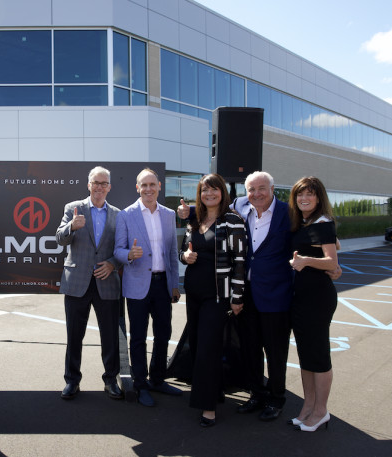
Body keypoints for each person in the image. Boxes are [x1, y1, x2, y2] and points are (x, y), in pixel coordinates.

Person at [177, 171, 340, 421]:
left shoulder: (288, 212)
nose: (256, 194)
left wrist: (333, 254)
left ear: (272, 189)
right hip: (246, 292)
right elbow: (212, 203)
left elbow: (314, 232)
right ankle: (256, 393)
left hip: (276, 293)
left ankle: (276, 398)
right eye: (251, 189)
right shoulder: (240, 206)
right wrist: (187, 210)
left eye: (262, 188)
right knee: (250, 348)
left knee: (275, 351)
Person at [179, 174, 247, 427]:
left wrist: (237, 297)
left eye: (214, 189)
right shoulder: (195, 220)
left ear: (222, 192)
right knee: (198, 345)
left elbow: (240, 261)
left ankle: (208, 407)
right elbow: (183, 250)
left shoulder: (232, 221)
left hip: (217, 295)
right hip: (193, 294)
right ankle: (215, 391)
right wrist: (185, 257)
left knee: (208, 349)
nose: (209, 194)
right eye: (204, 190)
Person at [114, 168, 182, 407]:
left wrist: (174, 285)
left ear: (159, 186)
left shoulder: (168, 214)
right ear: (137, 188)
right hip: (137, 286)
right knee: (138, 337)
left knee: (163, 334)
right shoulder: (126, 215)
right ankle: (141, 384)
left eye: (152, 184)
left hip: (163, 284)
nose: (148, 189)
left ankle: (158, 379)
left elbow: (172, 252)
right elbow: (117, 250)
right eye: (144, 185)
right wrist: (129, 254)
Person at [55, 166, 123, 400]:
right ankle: (72, 381)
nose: (99, 187)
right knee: (74, 336)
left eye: (104, 183)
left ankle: (110, 380)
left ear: (109, 187)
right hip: (77, 282)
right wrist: (71, 226)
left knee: (110, 337)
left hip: (107, 281)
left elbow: (122, 248)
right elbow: (60, 238)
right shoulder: (73, 208)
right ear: (88, 185)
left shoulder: (118, 214)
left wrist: (113, 263)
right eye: (96, 182)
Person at [288, 177, 338, 432]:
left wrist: (306, 260)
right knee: (306, 356)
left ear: (319, 198)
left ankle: (321, 411)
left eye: (309, 194)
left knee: (318, 356)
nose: (304, 198)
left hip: (318, 298)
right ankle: (308, 407)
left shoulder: (323, 222)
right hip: (301, 297)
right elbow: (334, 245)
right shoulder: (305, 222)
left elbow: (332, 262)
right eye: (300, 194)